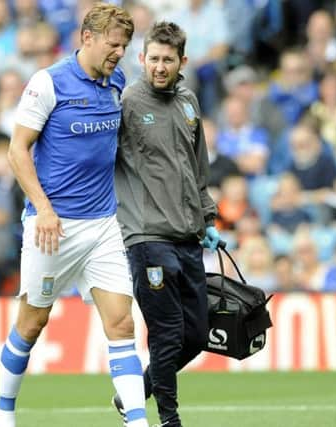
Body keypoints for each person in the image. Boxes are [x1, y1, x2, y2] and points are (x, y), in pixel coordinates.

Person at [0, 4, 149, 427]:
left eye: (125, 45)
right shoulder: (48, 83)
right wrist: (42, 209)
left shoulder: (117, 81)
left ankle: (137, 421)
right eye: (113, 44)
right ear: (88, 38)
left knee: (121, 324)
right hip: (52, 228)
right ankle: (4, 413)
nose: (119, 52)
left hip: (102, 225)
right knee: (32, 322)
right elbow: (16, 149)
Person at [113, 21, 220, 427]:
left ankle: (136, 391)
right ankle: (169, 420)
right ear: (141, 59)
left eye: (168, 60)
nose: (160, 66)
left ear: (182, 61)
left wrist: (207, 218)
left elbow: (199, 168)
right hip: (146, 236)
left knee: (197, 334)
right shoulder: (126, 103)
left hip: (188, 236)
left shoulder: (189, 102)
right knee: (167, 334)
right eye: (153, 59)